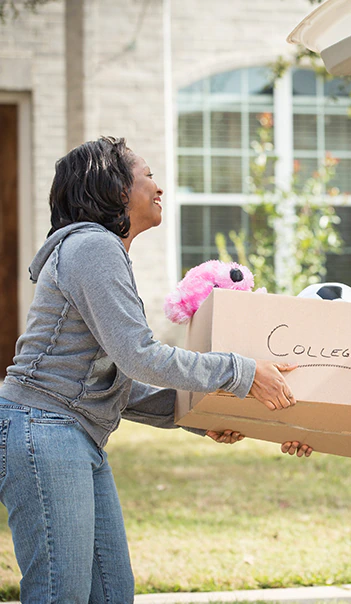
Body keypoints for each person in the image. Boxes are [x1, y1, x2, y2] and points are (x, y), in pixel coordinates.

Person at [0, 136, 310, 603]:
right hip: (44, 430)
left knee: (111, 592)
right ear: (116, 188)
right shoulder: (92, 248)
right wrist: (241, 373)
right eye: (147, 175)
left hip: (70, 432)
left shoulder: (100, 251)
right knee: (59, 593)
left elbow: (111, 381)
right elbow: (140, 356)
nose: (158, 186)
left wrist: (199, 417)